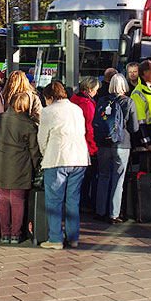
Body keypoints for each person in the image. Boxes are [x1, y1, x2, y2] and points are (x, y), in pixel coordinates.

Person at [37, 81, 89, 249]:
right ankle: (73, 238)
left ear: (50, 97)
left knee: (54, 201)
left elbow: (42, 138)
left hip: (57, 158)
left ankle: (55, 239)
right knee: (73, 200)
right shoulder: (77, 109)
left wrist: (45, 153)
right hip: (79, 158)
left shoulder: (48, 111)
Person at [0, 92, 41, 243]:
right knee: (17, 200)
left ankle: (4, 233)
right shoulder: (28, 124)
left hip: (0, 165)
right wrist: (37, 168)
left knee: (2, 199)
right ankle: (16, 233)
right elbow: (34, 150)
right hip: (20, 167)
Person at [94, 74, 139, 223]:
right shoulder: (128, 102)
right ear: (124, 86)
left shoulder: (101, 101)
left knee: (103, 176)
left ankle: (100, 211)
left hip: (103, 145)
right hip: (122, 144)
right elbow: (134, 128)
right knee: (118, 179)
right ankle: (114, 214)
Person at [70, 76, 99, 210]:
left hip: (74, 143)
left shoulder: (74, 100)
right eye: (95, 90)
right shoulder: (87, 104)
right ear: (89, 89)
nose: (96, 93)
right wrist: (93, 147)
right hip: (85, 146)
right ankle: (83, 203)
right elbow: (90, 127)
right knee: (86, 178)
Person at [130, 59, 151, 171]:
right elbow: (140, 121)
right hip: (145, 139)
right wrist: (147, 142)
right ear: (145, 73)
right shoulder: (138, 93)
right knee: (146, 170)